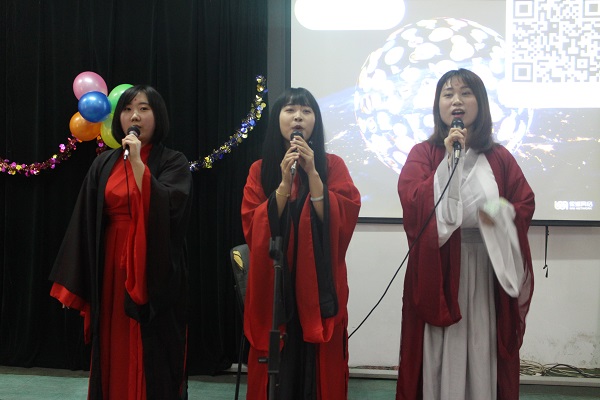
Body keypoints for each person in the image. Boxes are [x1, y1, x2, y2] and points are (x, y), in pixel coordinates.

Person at [396, 69, 535, 400]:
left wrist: (497, 214)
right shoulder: (424, 153)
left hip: (486, 264)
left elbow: (523, 202)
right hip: (441, 266)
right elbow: (413, 200)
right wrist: (448, 163)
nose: (456, 100)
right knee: (440, 346)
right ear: (438, 106)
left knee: (480, 340)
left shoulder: (499, 157)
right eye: (448, 94)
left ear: (480, 103)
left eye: (465, 93)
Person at [49, 85, 193, 400]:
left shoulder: (174, 161)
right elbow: (84, 220)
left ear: (158, 115)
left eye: (143, 108)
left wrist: (139, 163)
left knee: (151, 349)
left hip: (152, 268)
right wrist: (73, 284)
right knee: (112, 342)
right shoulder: (104, 163)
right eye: (127, 109)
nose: (134, 116)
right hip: (110, 266)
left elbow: (172, 211)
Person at [241, 87, 361, 399]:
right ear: (277, 120)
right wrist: (284, 183)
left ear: (315, 122)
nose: (298, 117)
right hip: (275, 283)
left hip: (318, 283)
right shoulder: (260, 169)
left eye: (306, 112)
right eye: (290, 110)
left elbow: (343, 216)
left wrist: (313, 174)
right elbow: (253, 225)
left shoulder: (333, 165)